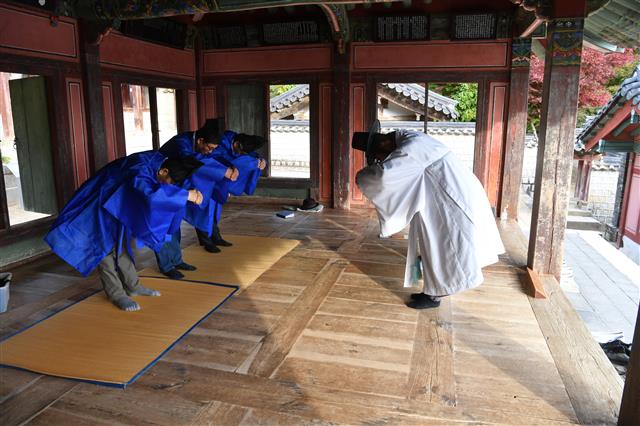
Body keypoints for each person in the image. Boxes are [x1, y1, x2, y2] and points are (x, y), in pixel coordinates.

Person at [353, 122, 505, 309]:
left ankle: (437, 294)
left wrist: (361, 176)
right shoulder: (411, 138)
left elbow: (383, 178)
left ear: (384, 143)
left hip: (450, 198)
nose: (382, 159)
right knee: (445, 243)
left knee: (448, 245)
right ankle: (435, 289)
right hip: (452, 191)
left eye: (379, 156)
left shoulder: (410, 150)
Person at [44, 151, 204, 312]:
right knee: (103, 249)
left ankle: (133, 286)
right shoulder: (140, 166)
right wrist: (185, 195)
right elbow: (151, 194)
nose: (169, 187)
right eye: (170, 183)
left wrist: (186, 193)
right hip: (98, 205)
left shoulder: (159, 162)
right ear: (164, 171)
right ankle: (116, 293)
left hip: (117, 204)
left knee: (122, 245)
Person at [156, 119, 238, 278]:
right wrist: (222, 172)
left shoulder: (204, 145)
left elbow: (216, 156)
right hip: (162, 182)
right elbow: (195, 161)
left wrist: (231, 167)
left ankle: (176, 259)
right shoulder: (182, 142)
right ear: (200, 140)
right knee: (164, 225)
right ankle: (166, 266)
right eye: (208, 147)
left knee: (175, 223)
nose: (209, 151)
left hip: (178, 182)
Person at [189, 130, 266, 252]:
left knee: (215, 209)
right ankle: (205, 240)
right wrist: (232, 166)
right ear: (237, 144)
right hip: (207, 176)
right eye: (241, 152)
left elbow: (252, 156)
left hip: (220, 180)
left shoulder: (239, 142)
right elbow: (212, 158)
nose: (240, 154)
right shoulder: (221, 141)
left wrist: (261, 161)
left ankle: (215, 236)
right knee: (205, 209)